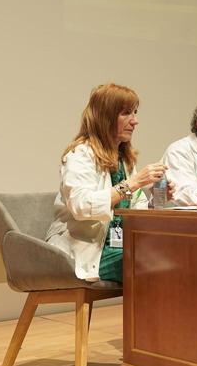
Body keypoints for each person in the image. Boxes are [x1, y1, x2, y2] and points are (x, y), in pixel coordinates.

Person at [45, 82, 168, 283]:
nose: (135, 121)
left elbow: (136, 211)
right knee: (156, 265)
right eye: (126, 113)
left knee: (176, 253)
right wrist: (132, 183)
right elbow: (81, 206)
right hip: (87, 247)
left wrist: (156, 198)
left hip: (120, 244)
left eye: (135, 113)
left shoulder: (124, 159)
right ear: (105, 117)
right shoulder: (79, 155)